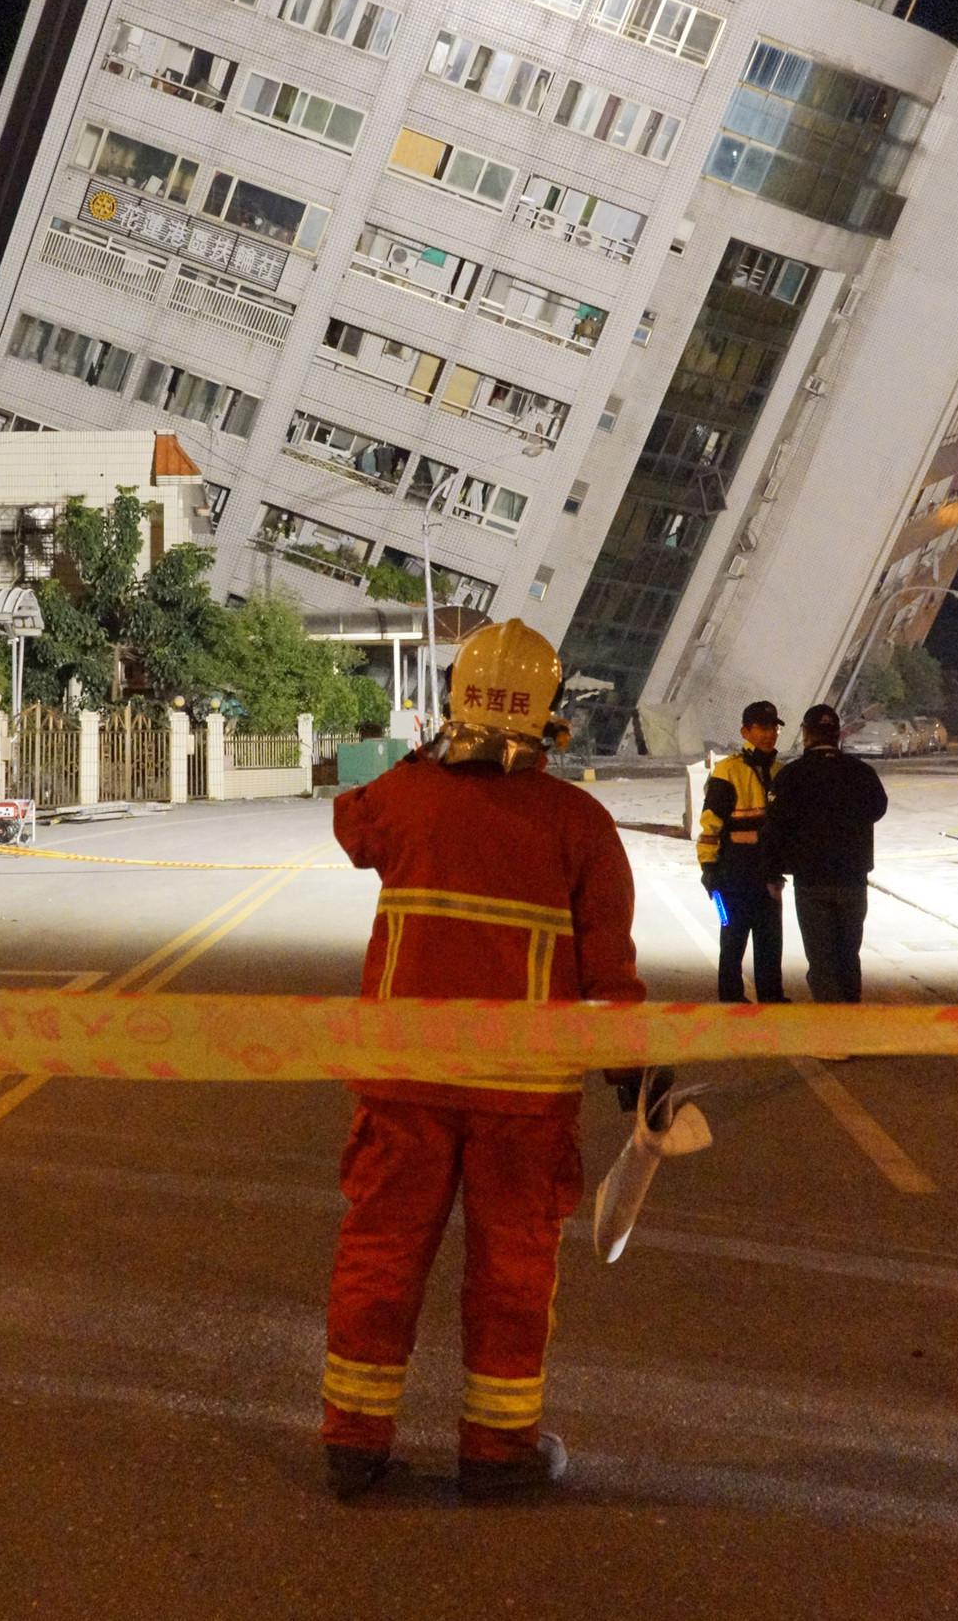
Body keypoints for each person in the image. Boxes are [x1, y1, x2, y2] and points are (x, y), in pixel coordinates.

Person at [321, 619, 648, 1502]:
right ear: (550, 719)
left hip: (404, 1081)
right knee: (512, 1269)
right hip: (525, 1094)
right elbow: (609, 965)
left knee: (380, 1254)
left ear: (453, 704)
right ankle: (497, 1451)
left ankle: (353, 1442)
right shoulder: (580, 824)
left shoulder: (409, 799)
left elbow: (352, 824)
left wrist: (427, 754)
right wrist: (631, 1067)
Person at [764, 704, 889, 1005]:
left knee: (821, 959)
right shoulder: (862, 772)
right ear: (838, 735)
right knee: (849, 955)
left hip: (811, 880)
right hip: (852, 878)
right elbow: (877, 810)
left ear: (806, 735)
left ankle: (832, 1033)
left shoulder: (791, 775)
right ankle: (850, 1023)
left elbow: (774, 827)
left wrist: (772, 873)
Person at [698, 701, 788, 1003]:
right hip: (730, 876)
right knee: (731, 941)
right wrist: (708, 868)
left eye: (774, 727)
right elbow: (710, 824)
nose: (770, 734)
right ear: (745, 731)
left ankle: (771, 999)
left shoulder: (779, 771)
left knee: (770, 942)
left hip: (768, 876)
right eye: (763, 728)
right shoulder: (728, 771)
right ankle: (731, 1000)